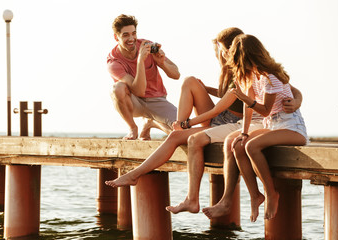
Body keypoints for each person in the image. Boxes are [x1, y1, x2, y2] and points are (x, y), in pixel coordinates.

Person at [105, 27, 246, 188]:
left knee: (175, 136)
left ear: (230, 50)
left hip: (229, 123)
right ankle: (174, 127)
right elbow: (229, 96)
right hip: (219, 117)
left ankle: (135, 174)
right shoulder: (228, 69)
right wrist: (206, 89)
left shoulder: (242, 73)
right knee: (190, 81)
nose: (217, 53)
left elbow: (217, 109)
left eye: (219, 50)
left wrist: (187, 124)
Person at [205, 34, 308, 222]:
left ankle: (271, 194)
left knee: (252, 146)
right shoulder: (252, 76)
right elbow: (248, 109)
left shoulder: (270, 77)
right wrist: (244, 132)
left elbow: (266, 110)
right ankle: (255, 196)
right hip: (273, 126)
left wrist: (245, 98)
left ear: (245, 57)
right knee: (238, 145)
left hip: (291, 126)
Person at [107, 14, 180, 140]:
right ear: (116, 37)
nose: (131, 38)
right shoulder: (114, 62)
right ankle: (133, 128)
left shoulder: (147, 46)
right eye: (125, 35)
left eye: (133, 33)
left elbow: (176, 74)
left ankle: (151, 122)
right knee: (117, 88)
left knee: (181, 131)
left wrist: (162, 64)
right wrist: (140, 61)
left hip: (157, 99)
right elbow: (139, 91)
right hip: (135, 103)